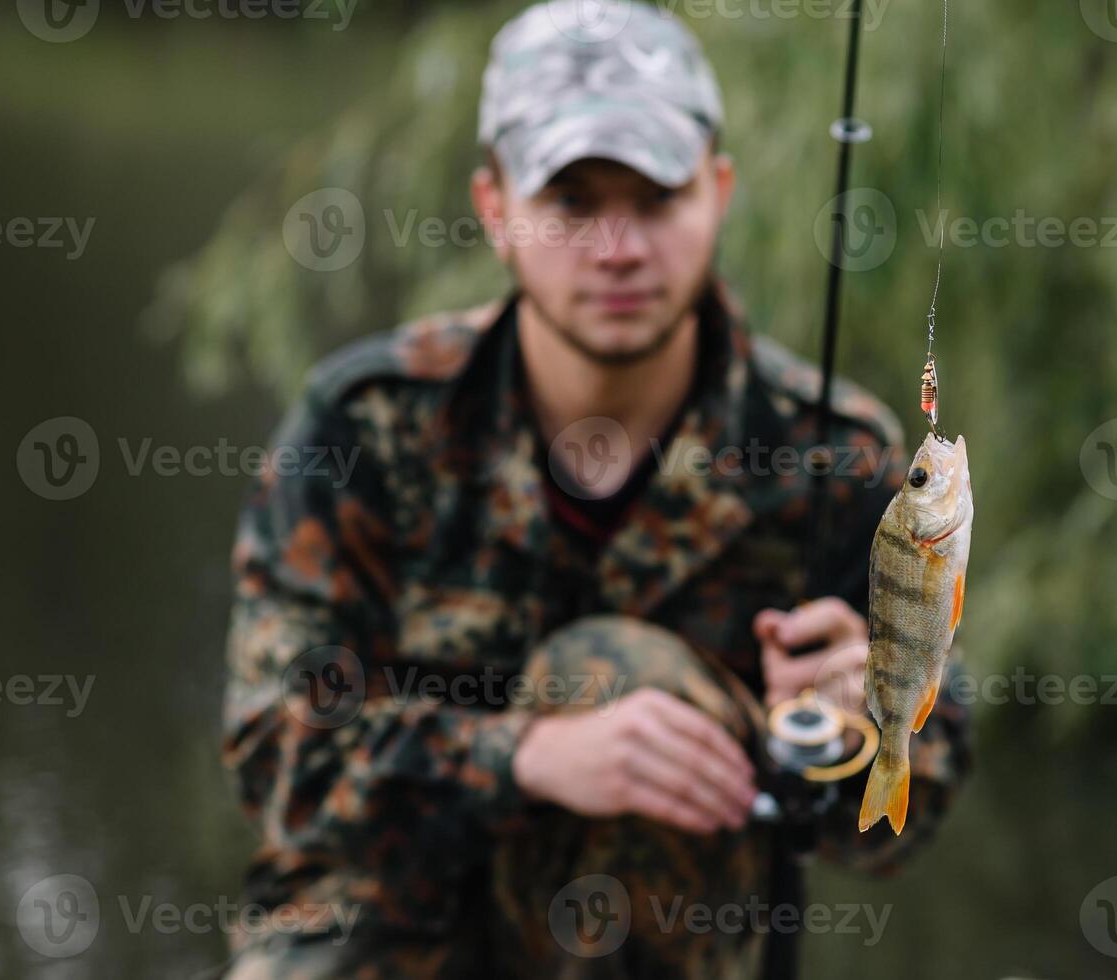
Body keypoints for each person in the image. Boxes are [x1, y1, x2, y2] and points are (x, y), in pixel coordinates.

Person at [220, 2, 970, 976]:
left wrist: (845, 723)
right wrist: (526, 755)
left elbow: (903, 814)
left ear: (719, 191)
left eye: (656, 197)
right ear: (495, 208)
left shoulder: (838, 453)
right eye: (571, 202)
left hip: (665, 936)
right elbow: (276, 749)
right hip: (388, 930)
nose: (618, 248)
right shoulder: (362, 424)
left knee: (628, 667)